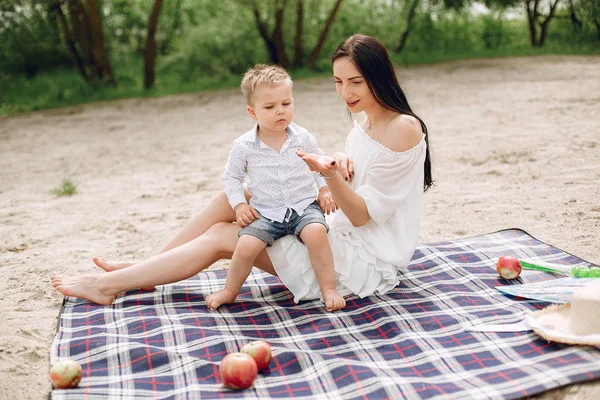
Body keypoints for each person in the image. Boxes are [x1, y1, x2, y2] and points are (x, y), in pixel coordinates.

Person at [51, 34, 432, 308]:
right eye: (337, 82)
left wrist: (330, 176)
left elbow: (363, 216)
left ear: (379, 77)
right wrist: (339, 160)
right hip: (339, 229)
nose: (345, 92)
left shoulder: (403, 128)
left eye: (355, 82)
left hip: (360, 261)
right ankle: (144, 269)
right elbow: (360, 173)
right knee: (233, 197)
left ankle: (106, 284)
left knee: (221, 236)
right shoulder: (365, 120)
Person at [205, 64, 345, 311]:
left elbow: (320, 163)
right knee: (246, 245)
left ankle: (328, 289)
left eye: (286, 104)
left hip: (303, 206)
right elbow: (232, 178)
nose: (280, 111)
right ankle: (229, 290)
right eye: (270, 107)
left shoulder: (302, 137)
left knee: (316, 233)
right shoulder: (244, 146)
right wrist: (239, 205)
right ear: (252, 112)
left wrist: (324, 190)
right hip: (266, 211)